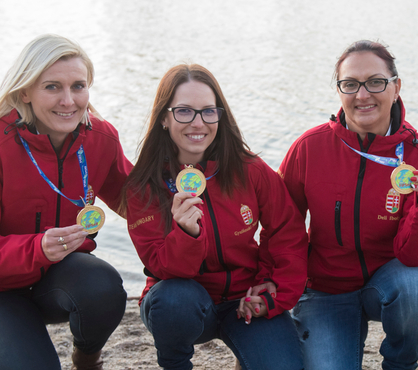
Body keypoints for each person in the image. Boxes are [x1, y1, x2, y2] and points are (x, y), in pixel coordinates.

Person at [0, 34, 132, 370]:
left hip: (56, 280)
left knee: (103, 286)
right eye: (52, 87)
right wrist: (37, 249)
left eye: (78, 86)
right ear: (24, 92)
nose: (68, 100)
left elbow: (139, 204)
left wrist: (198, 173)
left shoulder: (101, 137)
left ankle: (86, 359)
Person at [271, 40, 418, 370]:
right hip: (325, 290)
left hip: (389, 284)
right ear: (339, 91)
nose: (363, 95)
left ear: (396, 88)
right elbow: (283, 230)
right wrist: (282, 290)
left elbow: (416, 257)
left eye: (375, 82)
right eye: (350, 84)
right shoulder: (308, 149)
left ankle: (400, 364)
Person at [123, 64, 307, 370]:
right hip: (183, 302)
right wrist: (186, 233)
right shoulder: (144, 186)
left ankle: (244, 352)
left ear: (221, 116)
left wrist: (270, 287)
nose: (198, 123)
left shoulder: (250, 169)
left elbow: (287, 233)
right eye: (184, 111)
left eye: (209, 111)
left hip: (242, 299)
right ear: (164, 119)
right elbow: (161, 266)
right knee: (173, 299)